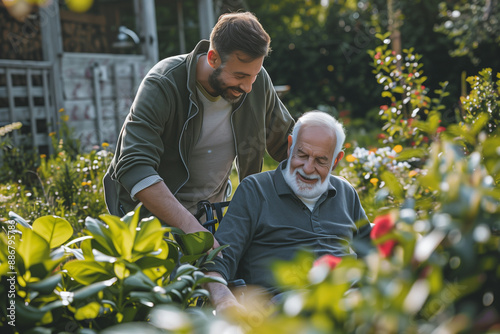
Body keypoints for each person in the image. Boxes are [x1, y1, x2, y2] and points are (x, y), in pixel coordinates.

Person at [103, 12, 295, 247]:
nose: (247, 87)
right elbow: (134, 166)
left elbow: (289, 145)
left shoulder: (256, 83)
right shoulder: (164, 83)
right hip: (149, 226)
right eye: (240, 76)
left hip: (212, 217)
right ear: (213, 58)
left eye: (254, 76)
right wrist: (194, 231)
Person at [202, 111, 372, 313]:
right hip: (285, 308)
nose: (308, 168)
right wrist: (223, 299)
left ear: (336, 160)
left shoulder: (345, 192)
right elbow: (220, 258)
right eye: (302, 155)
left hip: (348, 302)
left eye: (320, 160)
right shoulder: (256, 190)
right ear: (290, 146)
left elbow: (372, 254)